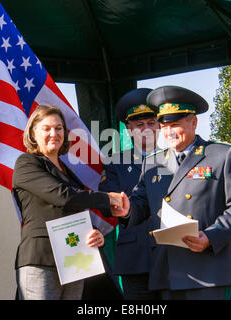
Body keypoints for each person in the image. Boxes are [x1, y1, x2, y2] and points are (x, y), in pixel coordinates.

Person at [111, 86, 231, 300]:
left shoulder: (222, 154)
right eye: (164, 126)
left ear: (193, 122)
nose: (169, 132)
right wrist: (128, 208)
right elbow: (141, 203)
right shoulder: (153, 161)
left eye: (175, 125)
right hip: (167, 271)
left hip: (206, 268)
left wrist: (211, 236)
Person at [12, 105, 123, 300]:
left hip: (74, 260)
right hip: (41, 261)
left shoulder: (67, 171)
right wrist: (107, 198)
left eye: (59, 128)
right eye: (46, 128)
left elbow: (78, 209)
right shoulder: (26, 163)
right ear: (33, 133)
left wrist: (95, 234)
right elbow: (64, 196)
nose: (54, 133)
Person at [99, 88, 161, 299]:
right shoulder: (115, 162)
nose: (146, 129)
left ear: (159, 125)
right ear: (128, 129)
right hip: (135, 258)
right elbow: (106, 204)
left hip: (173, 257)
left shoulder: (176, 158)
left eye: (151, 123)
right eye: (139, 124)